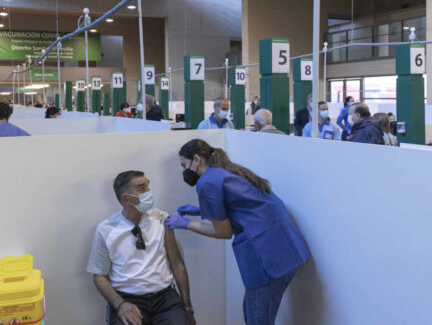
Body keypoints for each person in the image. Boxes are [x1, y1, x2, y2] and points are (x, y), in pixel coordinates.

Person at [165, 139, 310, 325]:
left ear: (196, 159)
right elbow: (241, 204)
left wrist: (185, 223)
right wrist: (201, 210)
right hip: (287, 250)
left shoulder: (207, 182)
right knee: (252, 313)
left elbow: (223, 232)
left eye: (184, 165)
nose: (184, 171)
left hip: (265, 258)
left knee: (257, 318)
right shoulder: (229, 171)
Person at [87, 171, 195, 325]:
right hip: (128, 298)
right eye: (142, 188)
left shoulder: (161, 219)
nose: (149, 192)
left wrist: (188, 307)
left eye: (148, 185)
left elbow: (177, 265)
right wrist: (120, 305)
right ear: (126, 199)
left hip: (165, 298)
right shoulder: (105, 229)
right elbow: (99, 275)